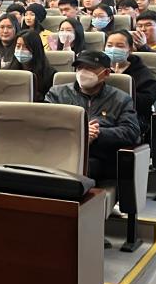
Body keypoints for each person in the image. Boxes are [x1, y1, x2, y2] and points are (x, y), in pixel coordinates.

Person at [45, 51, 140, 184]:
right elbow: (45, 124)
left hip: (99, 157)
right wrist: (80, 133)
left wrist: (97, 134)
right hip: (62, 150)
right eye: (80, 68)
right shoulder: (57, 94)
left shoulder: (121, 99)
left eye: (90, 68)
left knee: (77, 170)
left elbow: (131, 131)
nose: (83, 72)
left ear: (106, 73)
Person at [105, 30, 156, 138]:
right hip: (102, 116)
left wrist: (120, 83)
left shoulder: (141, 72)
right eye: (109, 45)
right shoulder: (99, 69)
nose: (113, 49)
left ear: (130, 49)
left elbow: (146, 100)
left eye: (120, 46)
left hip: (132, 119)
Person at [10, 30, 55, 102]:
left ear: (35, 49)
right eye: (18, 46)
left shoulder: (50, 75)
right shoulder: (8, 71)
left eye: (26, 47)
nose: (21, 50)